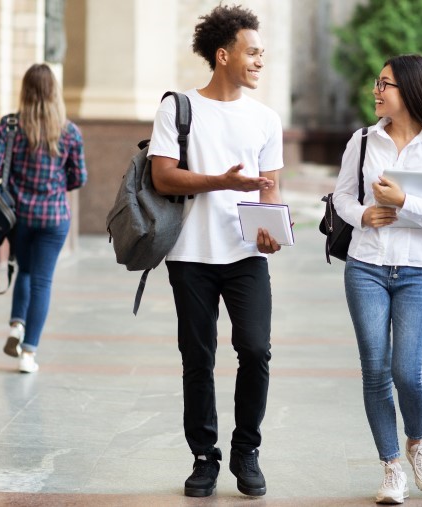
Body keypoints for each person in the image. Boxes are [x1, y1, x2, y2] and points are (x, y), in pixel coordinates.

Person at [148, 5, 284, 499]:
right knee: (197, 357)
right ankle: (204, 457)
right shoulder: (177, 108)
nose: (259, 61)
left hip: (247, 255)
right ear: (223, 55)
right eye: (252, 52)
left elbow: (271, 189)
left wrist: (272, 229)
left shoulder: (266, 118)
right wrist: (220, 182)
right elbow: (163, 175)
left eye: (262, 54)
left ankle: (246, 450)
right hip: (189, 254)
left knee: (255, 349)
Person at [333, 54, 422, 504]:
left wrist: (405, 200)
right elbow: (342, 198)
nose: (376, 90)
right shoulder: (364, 141)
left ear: (409, 90)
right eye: (377, 82)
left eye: (385, 83)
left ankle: (417, 442)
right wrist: (363, 214)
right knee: (375, 370)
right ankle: (391, 465)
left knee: (407, 371)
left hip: (417, 272)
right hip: (366, 266)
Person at [0, 63, 86, 374]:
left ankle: (16, 324)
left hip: (19, 215)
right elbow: (78, 178)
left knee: (25, 271)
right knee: (42, 281)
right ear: (54, 92)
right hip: (55, 217)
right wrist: (56, 186)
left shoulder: (9, 126)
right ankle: (28, 353)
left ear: (25, 91)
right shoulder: (69, 131)